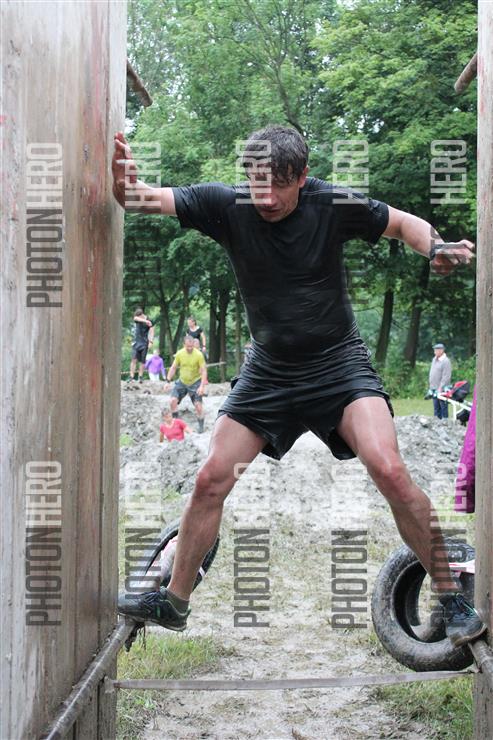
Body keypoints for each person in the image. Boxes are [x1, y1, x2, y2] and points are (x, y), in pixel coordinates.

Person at [113, 125, 484, 647]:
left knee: (389, 468)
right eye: (256, 183)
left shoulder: (330, 203)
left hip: (338, 365)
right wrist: (126, 184)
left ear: (303, 177)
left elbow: (403, 223)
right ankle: (173, 602)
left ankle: (451, 596)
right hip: (269, 370)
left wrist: (437, 247)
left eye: (279, 185)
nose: (265, 198)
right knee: (211, 479)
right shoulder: (227, 204)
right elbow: (142, 199)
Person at [166, 336, 207, 433]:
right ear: (184, 345)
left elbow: (204, 371)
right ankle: (176, 424)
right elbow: (173, 367)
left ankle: (201, 427)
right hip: (182, 381)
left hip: (195, 382)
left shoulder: (198, 355)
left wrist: (202, 386)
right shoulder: (180, 354)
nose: (190, 348)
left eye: (191, 346)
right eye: (188, 346)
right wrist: (168, 381)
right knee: (172, 401)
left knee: (198, 405)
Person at [129, 308, 154, 382]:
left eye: (139, 316)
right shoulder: (138, 319)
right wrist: (145, 321)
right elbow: (135, 318)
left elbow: (152, 330)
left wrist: (151, 341)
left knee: (142, 361)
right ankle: (131, 377)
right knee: (133, 359)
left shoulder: (149, 319)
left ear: (142, 315)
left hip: (144, 343)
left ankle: (140, 377)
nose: (138, 318)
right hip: (136, 342)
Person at [429, 343, 452, 419]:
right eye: (434, 350)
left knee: (443, 407)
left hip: (442, 389)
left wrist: (440, 388)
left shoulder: (446, 361)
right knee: (436, 408)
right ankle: (436, 423)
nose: (434, 352)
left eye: (436, 350)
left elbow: (446, 376)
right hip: (434, 388)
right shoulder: (434, 359)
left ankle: (445, 423)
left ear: (441, 350)